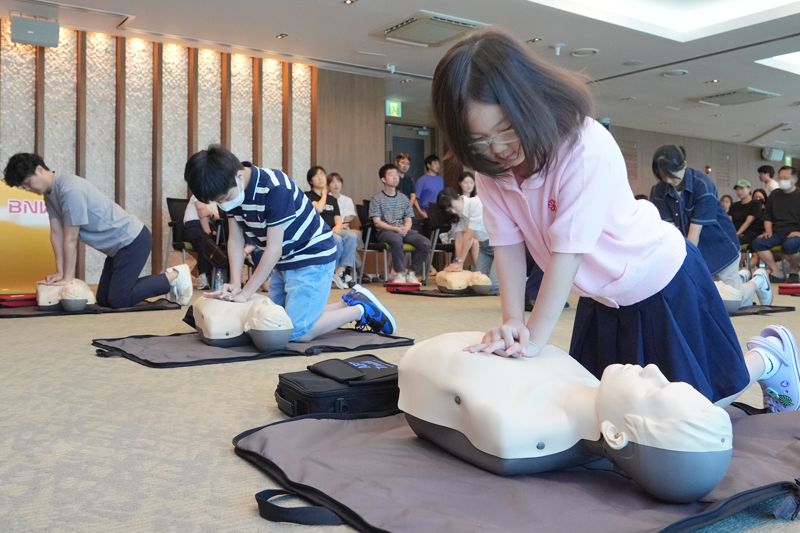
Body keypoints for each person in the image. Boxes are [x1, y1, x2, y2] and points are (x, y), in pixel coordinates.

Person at [430, 28, 799, 412]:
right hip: (600, 294)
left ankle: (771, 357)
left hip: (659, 279)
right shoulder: (492, 171)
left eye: (505, 130)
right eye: (479, 141)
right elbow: (507, 245)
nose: (497, 150)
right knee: (610, 411)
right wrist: (512, 322)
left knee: (699, 405)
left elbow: (566, 254)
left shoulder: (583, 145)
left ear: (529, 101)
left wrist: (534, 339)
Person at [400, 331, 738, 503]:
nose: (652, 370)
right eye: (667, 380)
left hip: (426, 362)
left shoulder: (517, 428)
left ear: (617, 435)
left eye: (654, 391)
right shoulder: (592, 388)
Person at [183, 145, 396, 339]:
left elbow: (274, 249)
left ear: (239, 175)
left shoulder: (275, 187)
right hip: (283, 262)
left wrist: (246, 292)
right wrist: (236, 284)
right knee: (272, 323)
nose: (223, 205)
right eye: (218, 201)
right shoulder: (230, 190)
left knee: (294, 332)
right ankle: (348, 301)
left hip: (312, 256)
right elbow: (235, 240)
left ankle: (361, 310)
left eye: (223, 198)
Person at [3, 153, 192, 308]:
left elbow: (70, 238)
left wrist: (67, 278)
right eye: (24, 187)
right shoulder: (49, 194)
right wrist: (60, 273)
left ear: (39, 170)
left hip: (132, 241)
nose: (28, 189)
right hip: (117, 249)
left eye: (28, 183)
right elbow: (56, 234)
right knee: (104, 300)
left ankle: (174, 275)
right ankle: (168, 281)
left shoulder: (69, 189)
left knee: (119, 300)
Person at [649, 145, 771, 309]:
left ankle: (758, 280)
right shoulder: (658, 191)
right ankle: (742, 277)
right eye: (664, 178)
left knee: (734, 304)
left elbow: (694, 235)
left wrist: (687, 266)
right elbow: (671, 232)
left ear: (684, 164)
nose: (669, 182)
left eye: (673, 177)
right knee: (706, 301)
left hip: (720, 247)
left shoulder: (703, 185)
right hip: (694, 250)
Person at [369, 163, 431, 283]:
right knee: (396, 240)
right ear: (383, 179)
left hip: (403, 230)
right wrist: (395, 229)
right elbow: (377, 222)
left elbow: (408, 219)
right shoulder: (377, 199)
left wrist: (405, 228)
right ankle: (399, 273)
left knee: (425, 243)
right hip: (385, 231)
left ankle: (411, 273)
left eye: (396, 175)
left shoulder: (403, 198)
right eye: (391, 175)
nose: (395, 177)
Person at [437, 187, 498, 294]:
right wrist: (456, 262)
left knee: (492, 287)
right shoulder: (456, 216)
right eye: (449, 210)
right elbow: (459, 240)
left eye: (452, 206)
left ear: (458, 197)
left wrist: (460, 263)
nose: (452, 211)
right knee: (477, 285)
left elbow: (468, 238)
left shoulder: (476, 203)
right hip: (485, 247)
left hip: (500, 246)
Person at [305, 166, 357, 289]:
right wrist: (324, 194)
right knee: (337, 240)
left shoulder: (332, 199)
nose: (321, 177)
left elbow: (337, 216)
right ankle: (332, 271)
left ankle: (341, 270)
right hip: (317, 231)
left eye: (322, 174)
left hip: (333, 229)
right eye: (317, 175)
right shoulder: (307, 196)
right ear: (311, 181)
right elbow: (318, 209)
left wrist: (338, 226)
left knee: (352, 236)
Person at [750, 166, 800, 283]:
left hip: (795, 232)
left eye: (785, 178)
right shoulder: (774, 195)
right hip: (777, 232)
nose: (782, 180)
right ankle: (777, 271)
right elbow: (768, 216)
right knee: (758, 243)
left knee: (789, 245)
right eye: (780, 178)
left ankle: (793, 270)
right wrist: (768, 231)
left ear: (795, 179)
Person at [327, 171, 363, 273]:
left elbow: (348, 218)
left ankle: (342, 268)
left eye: (338, 181)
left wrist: (341, 226)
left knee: (352, 236)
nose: (336, 184)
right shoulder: (326, 199)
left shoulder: (347, 200)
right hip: (331, 228)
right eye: (332, 182)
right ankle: (356, 265)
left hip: (343, 228)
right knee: (342, 240)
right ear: (328, 185)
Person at [183, 194, 220, 289]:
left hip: (208, 227)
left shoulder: (216, 198)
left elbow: (217, 217)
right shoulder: (198, 193)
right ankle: (202, 276)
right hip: (192, 227)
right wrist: (211, 215)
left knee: (221, 242)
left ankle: (219, 278)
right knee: (206, 242)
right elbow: (202, 212)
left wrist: (211, 215)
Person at [729, 179, 764, 269]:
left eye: (742, 189)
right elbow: (729, 221)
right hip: (736, 232)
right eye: (737, 189)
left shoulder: (755, 204)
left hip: (751, 232)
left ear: (749, 189)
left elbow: (748, 222)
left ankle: (740, 268)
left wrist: (736, 234)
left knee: (736, 241)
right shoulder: (734, 206)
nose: (739, 191)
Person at [413, 154, 444, 221]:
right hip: (426, 212)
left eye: (438, 163)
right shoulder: (421, 180)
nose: (438, 166)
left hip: (439, 211)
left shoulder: (440, 179)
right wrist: (421, 212)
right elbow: (415, 198)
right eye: (435, 163)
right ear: (428, 165)